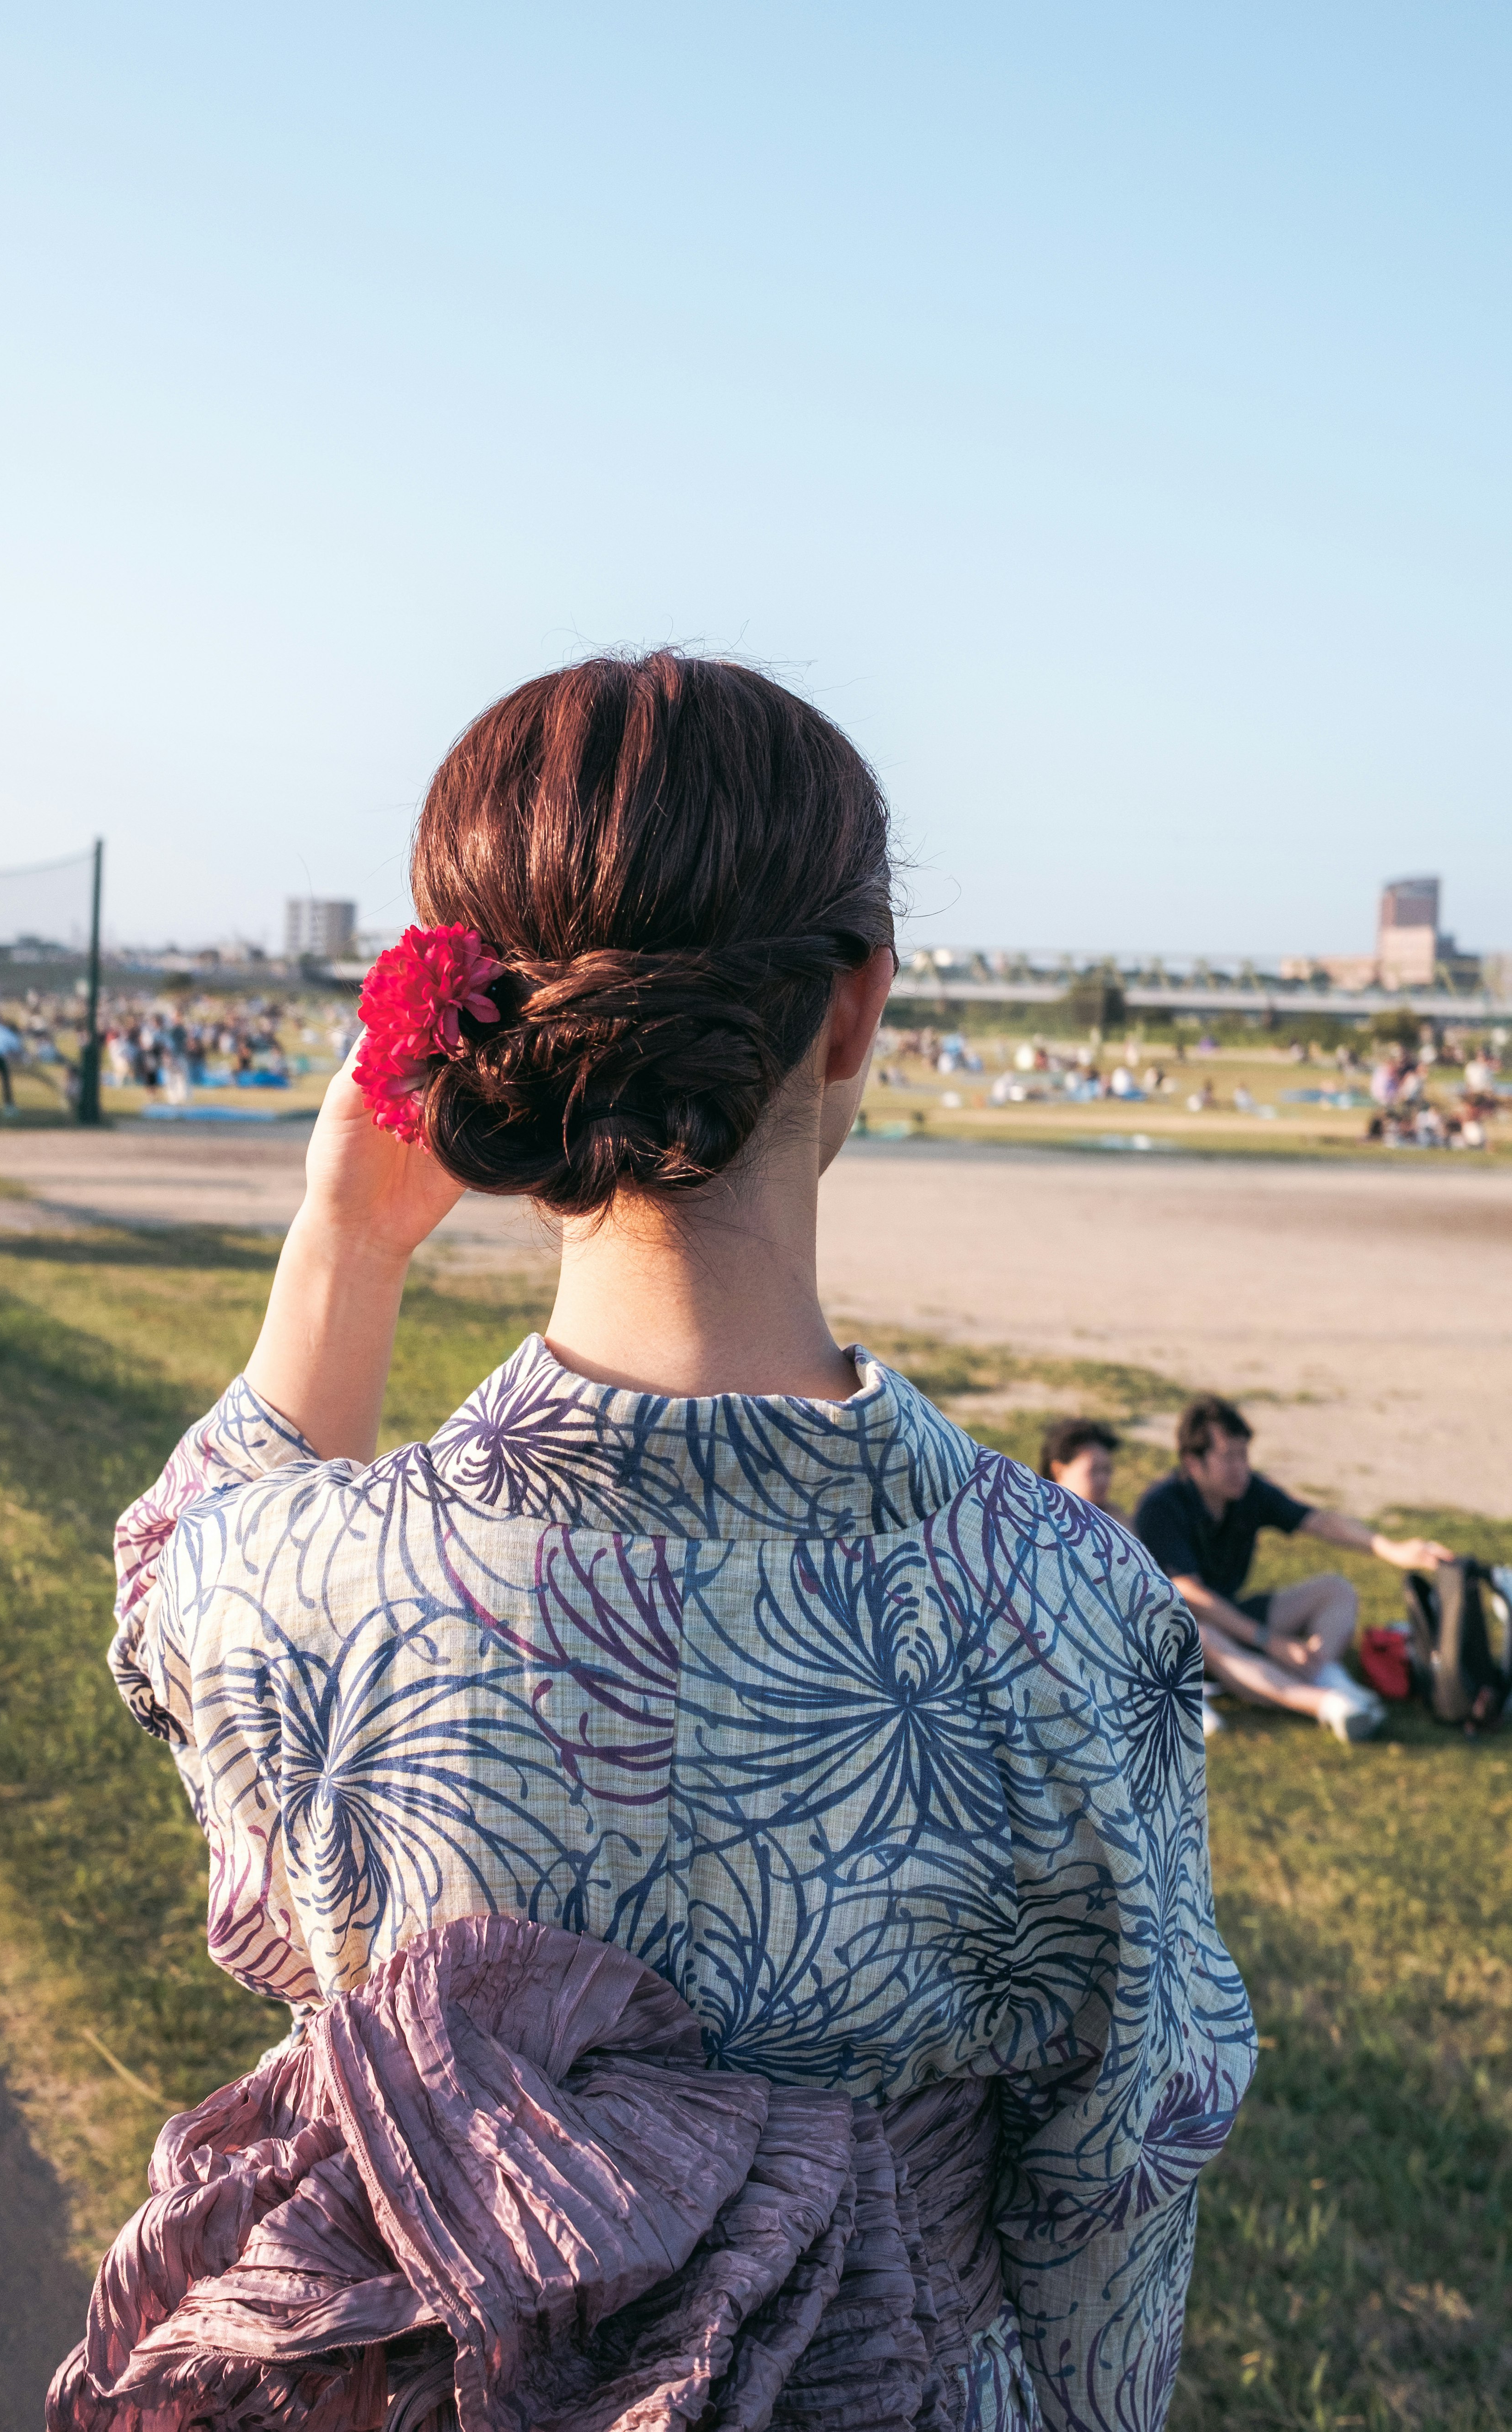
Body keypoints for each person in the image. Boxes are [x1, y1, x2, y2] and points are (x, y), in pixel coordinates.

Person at [101, 654, 1253, 2431]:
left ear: (468, 1039)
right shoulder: (1067, 1611)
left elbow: (166, 1566)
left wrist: (346, 1245)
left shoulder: (293, 1584)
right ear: (853, 1005)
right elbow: (1115, 2189)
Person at [1134, 1394, 1452, 1744]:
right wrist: (1269, 1641)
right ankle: (1330, 1704)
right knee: (1201, 1634)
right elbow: (1189, 1597)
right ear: (1193, 1463)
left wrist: (1392, 1549)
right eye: (1229, 1457)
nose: (1241, 1467)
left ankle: (1320, 1672)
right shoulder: (1160, 1507)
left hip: (1229, 1618)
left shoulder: (1246, 1491)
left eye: (1244, 1455)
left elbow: (1318, 1521)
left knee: (1336, 1590)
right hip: (1168, 1639)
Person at [1038, 1412, 1122, 1513]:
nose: (1104, 1480)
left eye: (1107, 1470)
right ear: (1059, 1471)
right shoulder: (1040, 1517)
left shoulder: (1117, 1518)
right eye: (1093, 1471)